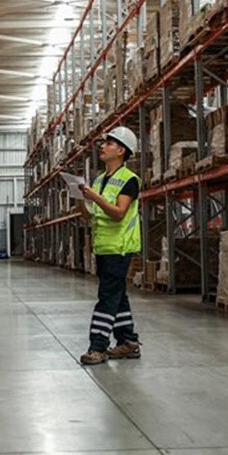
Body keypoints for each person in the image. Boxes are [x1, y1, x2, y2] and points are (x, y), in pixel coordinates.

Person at [77, 125, 142, 366]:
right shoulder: (99, 180)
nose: (103, 146)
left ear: (122, 151)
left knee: (107, 297)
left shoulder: (130, 180)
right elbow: (92, 216)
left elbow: (118, 213)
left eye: (109, 143)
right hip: (103, 246)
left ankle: (98, 346)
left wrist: (95, 198)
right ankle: (128, 342)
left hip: (120, 247)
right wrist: (80, 201)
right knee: (117, 295)